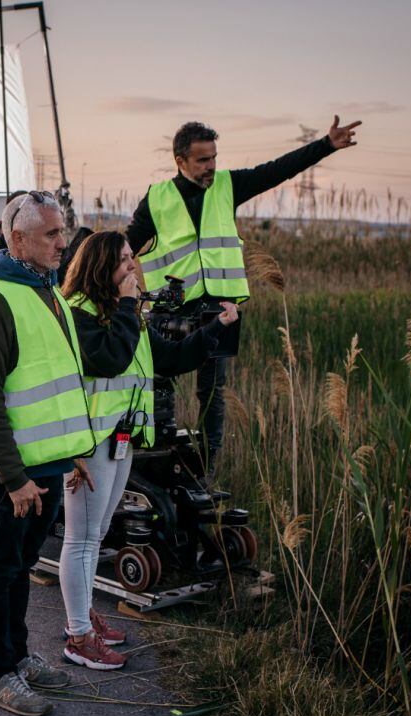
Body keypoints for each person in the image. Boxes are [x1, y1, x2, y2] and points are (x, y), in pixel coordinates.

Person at [126, 116, 361, 478]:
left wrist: (325, 145)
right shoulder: (156, 199)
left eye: (214, 158)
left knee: (212, 396)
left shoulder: (228, 185)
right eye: (203, 160)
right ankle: (157, 463)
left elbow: (279, 170)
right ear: (180, 160)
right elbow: (124, 248)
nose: (211, 166)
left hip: (220, 311)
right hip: (169, 312)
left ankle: (205, 473)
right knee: (155, 385)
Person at [57, 230, 238, 669]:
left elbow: (172, 359)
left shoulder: (128, 317)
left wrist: (216, 328)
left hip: (121, 439)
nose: (133, 269)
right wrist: (125, 305)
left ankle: (81, 620)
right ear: (102, 267)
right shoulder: (78, 314)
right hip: (89, 442)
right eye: (123, 261)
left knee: (97, 537)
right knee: (81, 540)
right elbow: (108, 360)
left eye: (131, 260)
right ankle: (78, 638)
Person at [0, 191, 97, 716]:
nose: (64, 243)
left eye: (62, 232)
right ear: (17, 238)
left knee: (20, 568)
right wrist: (14, 479)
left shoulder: (47, 292)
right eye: (52, 235)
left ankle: (15, 656)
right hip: (10, 477)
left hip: (46, 466)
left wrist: (74, 450)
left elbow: (57, 385)